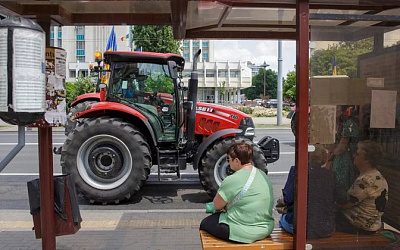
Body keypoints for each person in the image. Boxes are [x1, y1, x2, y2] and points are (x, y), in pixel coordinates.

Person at [199, 142, 274, 243]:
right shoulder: (262, 175)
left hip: (244, 231)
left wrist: (209, 207)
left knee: (205, 223)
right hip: (266, 228)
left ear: (237, 161)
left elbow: (217, 205)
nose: (228, 162)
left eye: (229, 159)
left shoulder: (232, 180)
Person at [277, 144, 335, 239]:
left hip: (299, 225)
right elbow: (338, 198)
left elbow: (288, 198)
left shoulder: (296, 170)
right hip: (325, 227)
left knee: (282, 219)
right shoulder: (329, 175)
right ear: (324, 158)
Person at [336, 140, 388, 234]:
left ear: (367, 159)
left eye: (357, 154)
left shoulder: (365, 180)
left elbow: (346, 203)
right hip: (373, 225)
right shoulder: (377, 176)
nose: (353, 156)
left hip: (357, 226)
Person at [326, 105, 360, 204]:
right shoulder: (340, 123)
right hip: (340, 156)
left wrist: (329, 159)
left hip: (345, 157)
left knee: (341, 181)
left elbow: (342, 146)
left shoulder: (349, 124)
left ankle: (342, 204)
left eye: (337, 109)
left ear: (343, 111)